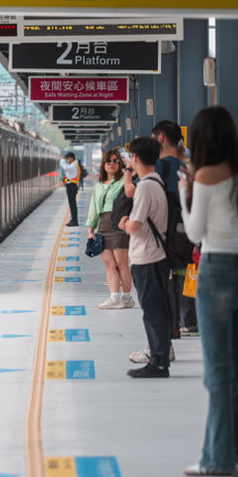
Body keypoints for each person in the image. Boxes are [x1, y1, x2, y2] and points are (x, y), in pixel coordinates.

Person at [178, 107, 238, 477]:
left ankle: (217, 458)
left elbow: (195, 233)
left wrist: (184, 191)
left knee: (217, 370)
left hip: (216, 270)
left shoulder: (206, 175)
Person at [118, 137, 170, 378]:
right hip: (156, 255)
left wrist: (125, 223)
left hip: (147, 257)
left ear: (135, 158)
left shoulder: (146, 187)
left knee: (152, 311)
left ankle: (158, 362)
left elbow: (136, 225)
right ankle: (160, 357)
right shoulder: (156, 182)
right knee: (157, 309)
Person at [152, 119, 196, 340]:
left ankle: (166, 337)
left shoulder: (160, 166)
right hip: (183, 234)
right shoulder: (188, 169)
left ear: (160, 138)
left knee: (160, 286)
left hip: (160, 235)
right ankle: (178, 324)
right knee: (177, 279)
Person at [86, 149, 134, 309]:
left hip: (119, 223)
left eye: (115, 161)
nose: (112, 164)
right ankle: (114, 298)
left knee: (121, 262)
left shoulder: (124, 181)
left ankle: (127, 297)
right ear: (103, 164)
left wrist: (129, 168)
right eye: (108, 161)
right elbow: (94, 207)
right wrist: (91, 229)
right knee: (109, 263)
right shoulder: (98, 186)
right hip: (103, 225)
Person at [62, 152, 80, 226]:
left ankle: (74, 221)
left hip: (71, 187)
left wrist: (62, 161)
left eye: (68, 159)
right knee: (72, 204)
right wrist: (65, 181)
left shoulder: (73, 166)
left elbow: (65, 169)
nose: (67, 160)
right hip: (71, 186)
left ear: (71, 158)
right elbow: (69, 177)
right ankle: (73, 220)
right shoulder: (73, 165)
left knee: (72, 204)